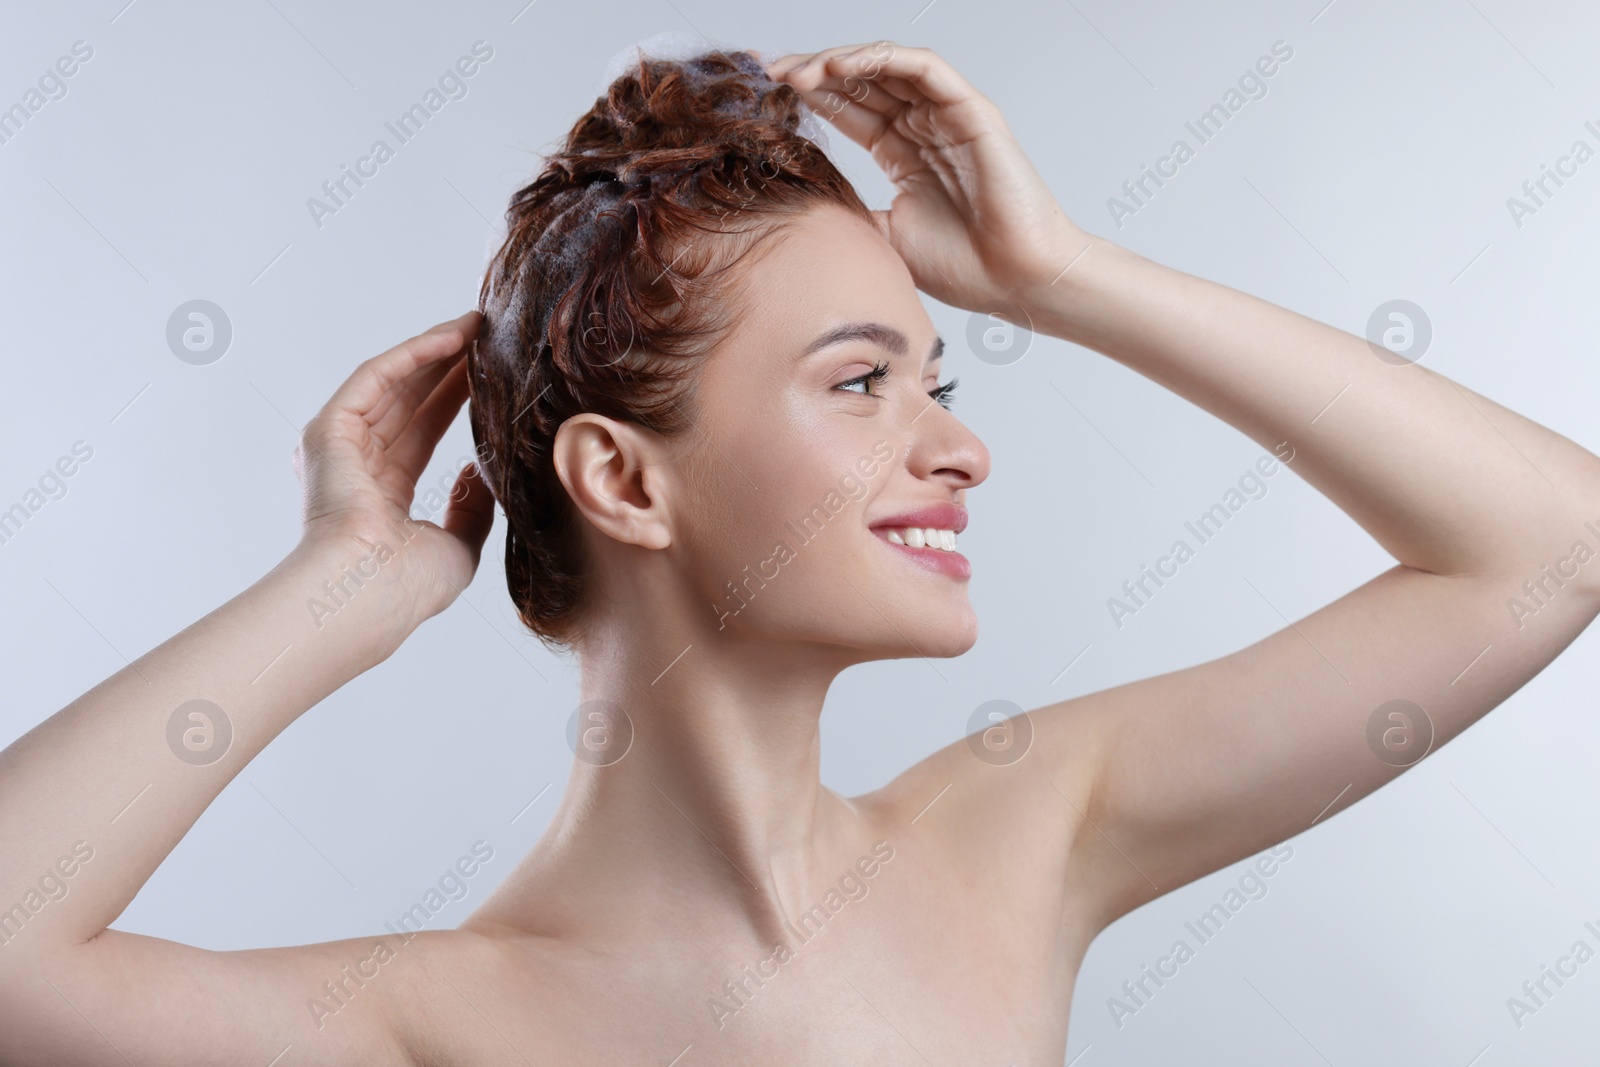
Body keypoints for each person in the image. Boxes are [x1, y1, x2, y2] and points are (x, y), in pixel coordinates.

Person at [2, 40, 1597, 1066]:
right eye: (860, 382)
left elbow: (1550, 544)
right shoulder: (426, 1027)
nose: (959, 447)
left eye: (942, 376)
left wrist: (1061, 276)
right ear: (623, 480)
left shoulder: (1025, 834)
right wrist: (334, 591)